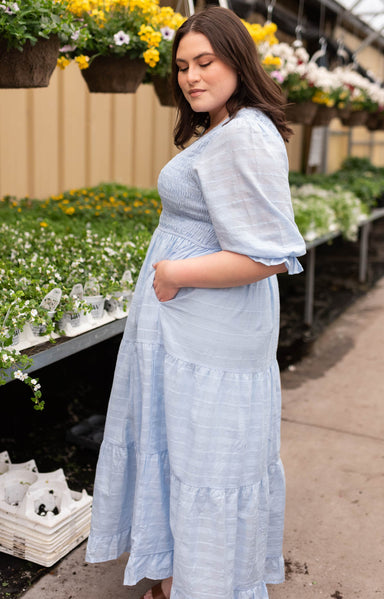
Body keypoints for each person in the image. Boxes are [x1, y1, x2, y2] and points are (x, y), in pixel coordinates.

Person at [85, 6, 306, 599]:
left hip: (206, 327)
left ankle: (199, 583)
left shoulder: (246, 135)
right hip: (190, 324)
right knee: (185, 448)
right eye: (182, 65)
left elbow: (268, 255)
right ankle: (177, 573)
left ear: (238, 59)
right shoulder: (226, 127)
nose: (190, 76)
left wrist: (174, 273)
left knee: (206, 455)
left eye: (205, 61)